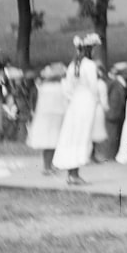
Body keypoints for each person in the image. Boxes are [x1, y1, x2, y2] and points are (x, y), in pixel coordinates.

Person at [52, 33, 103, 185]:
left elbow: (67, 88)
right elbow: (94, 87)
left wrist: (73, 98)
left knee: (73, 135)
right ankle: (75, 175)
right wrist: (97, 100)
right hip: (87, 102)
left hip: (75, 102)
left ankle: (72, 173)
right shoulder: (90, 65)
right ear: (90, 49)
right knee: (82, 136)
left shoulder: (72, 65)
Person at [26, 63, 68, 175]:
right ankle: (48, 167)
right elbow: (62, 103)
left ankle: (48, 165)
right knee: (52, 143)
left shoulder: (45, 87)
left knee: (49, 144)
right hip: (54, 117)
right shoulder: (59, 87)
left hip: (46, 117)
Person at [104, 62, 127, 163]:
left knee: (116, 134)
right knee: (112, 134)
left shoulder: (120, 83)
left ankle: (113, 154)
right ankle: (109, 155)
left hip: (119, 112)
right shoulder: (115, 83)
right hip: (113, 112)